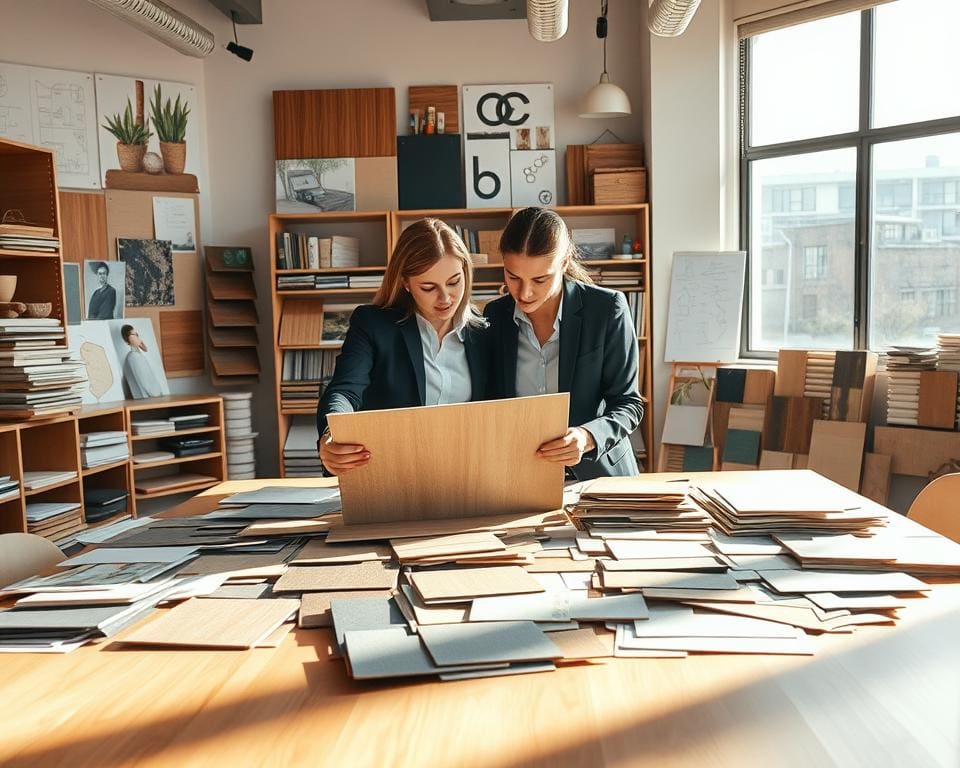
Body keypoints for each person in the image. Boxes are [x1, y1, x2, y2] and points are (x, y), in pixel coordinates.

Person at [316, 218, 489, 475]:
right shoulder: (373, 324)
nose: (445, 298)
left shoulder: (485, 334)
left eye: (454, 282)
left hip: (468, 476)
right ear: (406, 283)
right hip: (390, 477)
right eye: (428, 287)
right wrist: (332, 434)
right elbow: (345, 391)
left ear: (466, 271)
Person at [484, 207, 644, 479]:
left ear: (565, 263)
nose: (524, 292)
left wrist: (587, 437)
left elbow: (629, 403)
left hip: (599, 476)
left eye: (540, 279)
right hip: (521, 476)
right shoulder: (494, 316)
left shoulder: (606, 309)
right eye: (513, 277)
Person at [120, 324, 164, 398]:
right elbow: (144, 382)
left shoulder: (137, 355)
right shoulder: (133, 357)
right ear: (129, 338)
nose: (138, 338)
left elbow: (149, 378)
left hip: (154, 396)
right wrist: (157, 394)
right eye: (134, 335)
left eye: (137, 334)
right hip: (149, 398)